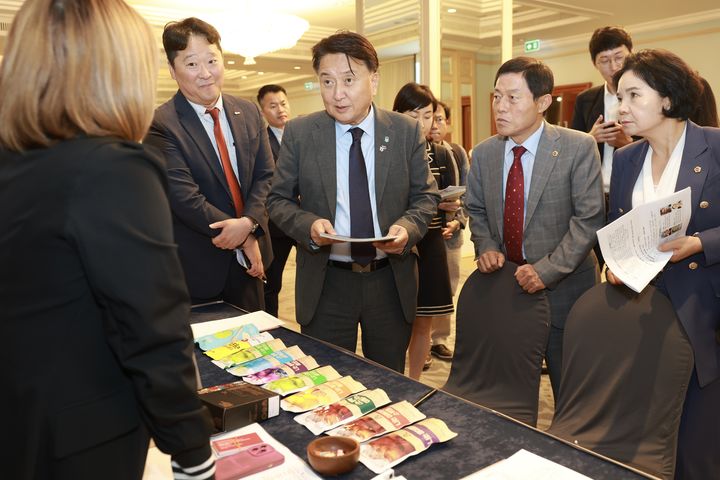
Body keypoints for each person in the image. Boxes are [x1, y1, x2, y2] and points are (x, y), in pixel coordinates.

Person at [0, 1, 214, 479]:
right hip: (80, 437)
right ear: (118, 69)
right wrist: (192, 450)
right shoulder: (112, 168)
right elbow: (150, 325)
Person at [267, 32, 439, 373]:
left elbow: (426, 196)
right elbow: (277, 199)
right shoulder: (302, 133)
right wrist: (308, 226)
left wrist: (406, 229)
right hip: (328, 280)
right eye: (327, 81)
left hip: (388, 280)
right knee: (326, 385)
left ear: (373, 80)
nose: (337, 93)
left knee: (388, 381)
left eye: (348, 80)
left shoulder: (405, 131)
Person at [608, 49, 720, 479]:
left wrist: (698, 243)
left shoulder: (714, 145)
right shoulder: (625, 159)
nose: (621, 108)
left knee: (696, 445)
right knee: (645, 438)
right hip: (641, 316)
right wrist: (613, 265)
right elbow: (618, 230)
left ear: (668, 99)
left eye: (634, 95)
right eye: (620, 97)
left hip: (702, 317)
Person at [466, 57, 604, 398]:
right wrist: (486, 246)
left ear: (542, 102)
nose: (500, 107)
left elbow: (588, 220)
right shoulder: (484, 154)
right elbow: (477, 209)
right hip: (508, 288)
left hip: (567, 288)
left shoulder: (577, 147)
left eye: (513, 98)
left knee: (572, 390)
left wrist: (546, 271)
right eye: (496, 96)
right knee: (509, 389)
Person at [144, 17, 274, 311]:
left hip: (251, 264)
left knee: (257, 348)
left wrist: (250, 224)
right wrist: (244, 238)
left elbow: (266, 177)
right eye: (191, 64)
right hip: (198, 269)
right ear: (172, 71)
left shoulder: (249, 111)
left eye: (212, 60)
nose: (205, 74)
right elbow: (184, 197)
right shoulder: (160, 123)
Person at [392, 83, 456, 379]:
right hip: (397, 245)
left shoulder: (441, 154)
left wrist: (448, 209)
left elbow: (452, 198)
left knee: (423, 322)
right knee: (392, 321)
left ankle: (414, 381)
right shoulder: (387, 151)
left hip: (430, 243)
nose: (421, 122)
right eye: (413, 114)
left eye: (428, 115)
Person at [571, 26, 634, 268]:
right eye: (605, 60)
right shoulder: (586, 100)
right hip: (595, 193)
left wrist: (626, 144)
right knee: (593, 260)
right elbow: (573, 146)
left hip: (630, 190)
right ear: (595, 64)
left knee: (626, 261)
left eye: (620, 57)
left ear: (631, 54)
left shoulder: (646, 94)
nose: (614, 66)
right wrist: (590, 137)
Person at [428, 100, 470, 362]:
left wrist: (458, 220)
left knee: (448, 287)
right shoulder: (412, 150)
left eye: (440, 119)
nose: (435, 124)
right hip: (424, 233)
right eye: (430, 118)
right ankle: (419, 337)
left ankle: (439, 339)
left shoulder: (456, 152)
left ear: (448, 123)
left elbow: (469, 192)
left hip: (450, 233)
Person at [257, 84, 296, 317]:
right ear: (263, 112)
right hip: (276, 225)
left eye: (283, 103)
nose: (280, 109)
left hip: (304, 220)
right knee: (272, 283)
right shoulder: (261, 141)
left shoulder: (300, 134)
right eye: (273, 106)